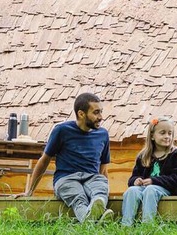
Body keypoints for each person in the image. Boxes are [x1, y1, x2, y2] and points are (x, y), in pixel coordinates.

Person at [21, 92, 114, 223]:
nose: (100, 117)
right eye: (96, 112)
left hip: (92, 177)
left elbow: (103, 169)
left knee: (100, 192)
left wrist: (104, 187)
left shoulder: (103, 134)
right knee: (79, 198)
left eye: (101, 112)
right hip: (66, 178)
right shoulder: (61, 130)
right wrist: (29, 191)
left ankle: (92, 219)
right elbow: (44, 161)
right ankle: (96, 219)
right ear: (81, 114)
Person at [120, 117, 177, 226]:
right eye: (162, 133)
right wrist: (135, 180)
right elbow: (134, 176)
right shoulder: (143, 156)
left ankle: (147, 225)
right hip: (145, 189)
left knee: (150, 189)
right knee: (131, 190)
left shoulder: (176, 154)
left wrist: (153, 181)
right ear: (152, 136)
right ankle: (126, 225)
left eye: (170, 133)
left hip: (169, 190)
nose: (167, 136)